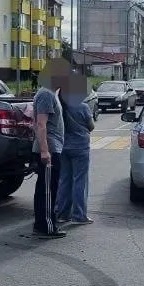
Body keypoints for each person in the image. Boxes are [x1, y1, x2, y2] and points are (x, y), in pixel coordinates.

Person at [31, 60, 69, 238]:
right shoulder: (47, 94)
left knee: (47, 188)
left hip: (53, 148)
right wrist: (45, 151)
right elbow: (41, 124)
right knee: (47, 190)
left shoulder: (51, 93)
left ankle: (43, 223)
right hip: (50, 149)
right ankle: (46, 226)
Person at [56, 72, 95, 225]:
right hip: (80, 147)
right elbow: (91, 127)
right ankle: (79, 215)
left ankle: (62, 213)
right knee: (80, 181)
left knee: (64, 180)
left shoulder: (59, 104)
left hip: (63, 146)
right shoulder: (82, 106)